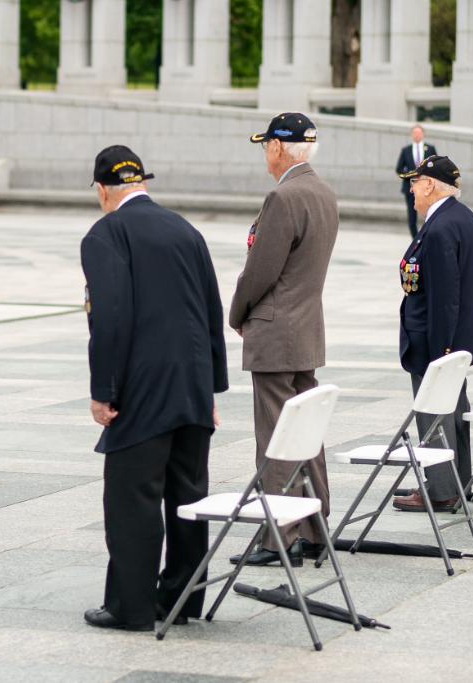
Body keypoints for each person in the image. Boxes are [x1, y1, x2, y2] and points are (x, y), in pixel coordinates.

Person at [80, 145, 228, 631]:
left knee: (132, 499)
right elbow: (210, 311)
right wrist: (211, 391)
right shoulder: (186, 230)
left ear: (103, 190)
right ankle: (183, 600)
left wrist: (104, 390)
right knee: (189, 499)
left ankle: (132, 607)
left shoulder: (106, 233)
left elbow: (110, 318)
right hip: (190, 389)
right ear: (143, 183)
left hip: (142, 392)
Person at [228, 113, 337, 567]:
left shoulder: (283, 196)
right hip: (306, 329)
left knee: (275, 436)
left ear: (277, 147)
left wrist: (236, 313)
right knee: (305, 435)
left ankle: (278, 537)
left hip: (275, 331)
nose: (265, 156)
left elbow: (261, 271)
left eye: (266, 146)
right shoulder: (323, 193)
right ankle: (313, 528)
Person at [392, 155, 473, 511]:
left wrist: (440, 350)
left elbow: (444, 296)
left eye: (414, 183)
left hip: (438, 342)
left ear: (430, 185)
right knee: (453, 413)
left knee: (434, 413)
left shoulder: (440, 227)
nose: (411, 190)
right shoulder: (461, 218)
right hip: (454, 340)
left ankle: (441, 490)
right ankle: (457, 482)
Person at [395, 124, 438, 239]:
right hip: (411, 189)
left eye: (419, 133)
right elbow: (399, 169)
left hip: (428, 188)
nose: (417, 135)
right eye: (415, 133)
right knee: (412, 216)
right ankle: (415, 240)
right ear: (411, 135)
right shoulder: (406, 150)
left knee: (430, 214)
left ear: (423, 134)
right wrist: (412, 176)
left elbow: (436, 166)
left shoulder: (430, 148)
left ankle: (427, 237)